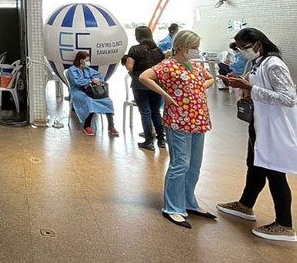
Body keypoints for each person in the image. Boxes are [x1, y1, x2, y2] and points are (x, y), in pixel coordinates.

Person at [217, 28, 297, 242]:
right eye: (239, 48)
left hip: (275, 127)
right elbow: (254, 86)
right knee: (255, 165)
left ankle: (285, 224)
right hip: (259, 123)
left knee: (274, 172)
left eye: (245, 47)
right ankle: (245, 205)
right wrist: (239, 83)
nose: (243, 51)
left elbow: (289, 98)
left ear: (259, 44)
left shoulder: (274, 64)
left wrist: (251, 88)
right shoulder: (257, 63)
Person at [140, 30, 215, 229]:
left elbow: (210, 78)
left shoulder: (195, 65)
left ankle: (188, 201)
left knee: (194, 164)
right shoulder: (168, 65)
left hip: (198, 119)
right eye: (194, 47)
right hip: (178, 120)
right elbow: (144, 77)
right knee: (180, 164)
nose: (197, 50)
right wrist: (166, 95)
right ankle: (172, 207)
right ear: (181, 46)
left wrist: (199, 88)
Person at [126, 26, 167, 151]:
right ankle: (161, 140)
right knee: (155, 111)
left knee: (145, 112)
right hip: (156, 84)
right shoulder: (158, 50)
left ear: (138, 36)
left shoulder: (134, 49)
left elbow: (129, 66)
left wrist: (134, 73)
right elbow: (163, 68)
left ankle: (149, 141)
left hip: (140, 84)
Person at [68, 51, 118, 137]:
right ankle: (86, 126)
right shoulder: (72, 70)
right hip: (78, 92)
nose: (88, 62)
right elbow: (77, 82)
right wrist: (90, 81)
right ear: (81, 60)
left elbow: (100, 76)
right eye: (87, 60)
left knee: (107, 101)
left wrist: (96, 80)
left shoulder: (87, 69)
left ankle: (111, 125)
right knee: (89, 101)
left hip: (91, 91)